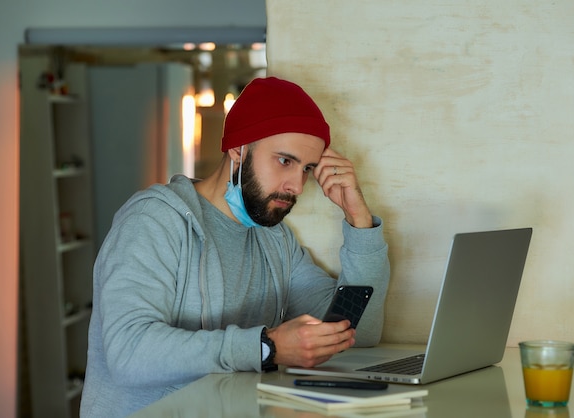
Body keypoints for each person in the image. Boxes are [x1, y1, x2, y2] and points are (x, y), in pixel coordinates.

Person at [80, 76, 390, 417]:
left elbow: (357, 330)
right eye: (285, 161)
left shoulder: (275, 239)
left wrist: (358, 219)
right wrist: (266, 346)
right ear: (238, 148)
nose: (297, 187)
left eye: (308, 169)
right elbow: (129, 353)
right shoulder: (153, 220)